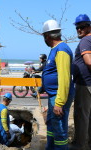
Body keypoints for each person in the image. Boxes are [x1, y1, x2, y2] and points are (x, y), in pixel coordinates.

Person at [41, 20, 74, 150]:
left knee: (59, 130)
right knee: (52, 126)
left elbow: (64, 78)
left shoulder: (62, 50)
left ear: (47, 36)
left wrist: (59, 102)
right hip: (53, 95)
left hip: (58, 96)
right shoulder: (55, 49)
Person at [69, 14, 91, 150]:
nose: (79, 30)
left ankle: (79, 145)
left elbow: (88, 61)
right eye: (77, 27)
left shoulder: (85, 41)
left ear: (89, 26)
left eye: (82, 27)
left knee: (81, 115)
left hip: (84, 84)